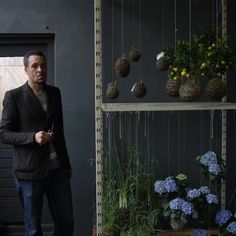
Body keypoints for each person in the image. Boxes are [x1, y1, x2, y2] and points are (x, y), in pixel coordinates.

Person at [0, 50, 74, 236]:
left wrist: (66, 164)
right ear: (26, 69)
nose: (40, 69)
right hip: (28, 173)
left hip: (57, 170)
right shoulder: (13, 96)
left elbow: (60, 131)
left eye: (43, 65)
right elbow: (4, 133)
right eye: (35, 66)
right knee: (33, 229)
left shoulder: (55, 93)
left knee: (65, 222)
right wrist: (32, 137)